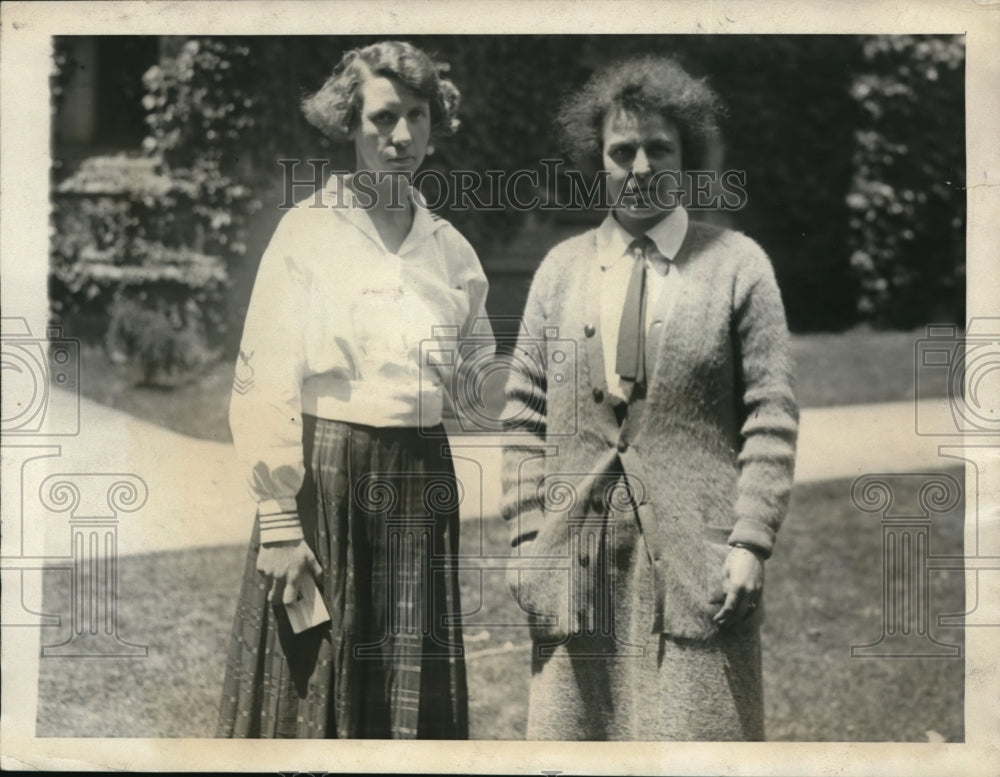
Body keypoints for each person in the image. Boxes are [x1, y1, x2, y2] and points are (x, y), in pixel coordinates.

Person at [501, 55, 798, 740]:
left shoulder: (737, 265)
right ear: (597, 159)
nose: (640, 166)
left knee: (698, 741)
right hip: (577, 565)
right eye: (621, 150)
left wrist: (749, 540)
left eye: (658, 148)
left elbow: (770, 416)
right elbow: (523, 413)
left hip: (697, 566)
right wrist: (522, 537)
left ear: (685, 155)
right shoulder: (560, 270)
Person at [217, 40, 493, 739]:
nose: (400, 137)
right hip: (324, 481)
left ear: (436, 123)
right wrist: (279, 518)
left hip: (421, 477)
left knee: (406, 681)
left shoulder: (451, 250)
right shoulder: (307, 232)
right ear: (350, 122)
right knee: (309, 676)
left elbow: (478, 380)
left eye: (417, 116)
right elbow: (264, 374)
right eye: (382, 118)